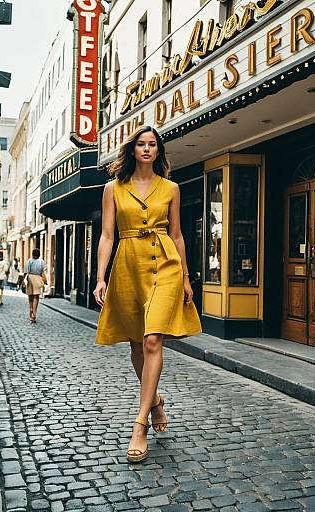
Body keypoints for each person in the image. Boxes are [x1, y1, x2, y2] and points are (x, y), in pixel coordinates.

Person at [93, 125, 202, 463]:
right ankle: (155, 402)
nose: (146, 149)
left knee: (154, 339)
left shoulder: (171, 187)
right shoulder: (113, 188)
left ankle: (139, 424)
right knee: (137, 345)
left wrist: (185, 277)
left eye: (152, 144)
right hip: (127, 265)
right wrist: (100, 277)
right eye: (140, 144)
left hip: (165, 263)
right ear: (132, 149)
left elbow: (178, 235)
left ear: (158, 151)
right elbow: (107, 235)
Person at [26, 249, 47, 323]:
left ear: (32, 254)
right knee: (36, 297)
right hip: (38, 278)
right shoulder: (41, 262)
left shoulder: (29, 261)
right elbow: (43, 271)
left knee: (30, 296)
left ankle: (31, 309)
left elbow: (27, 271)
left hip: (30, 278)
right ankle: (34, 314)